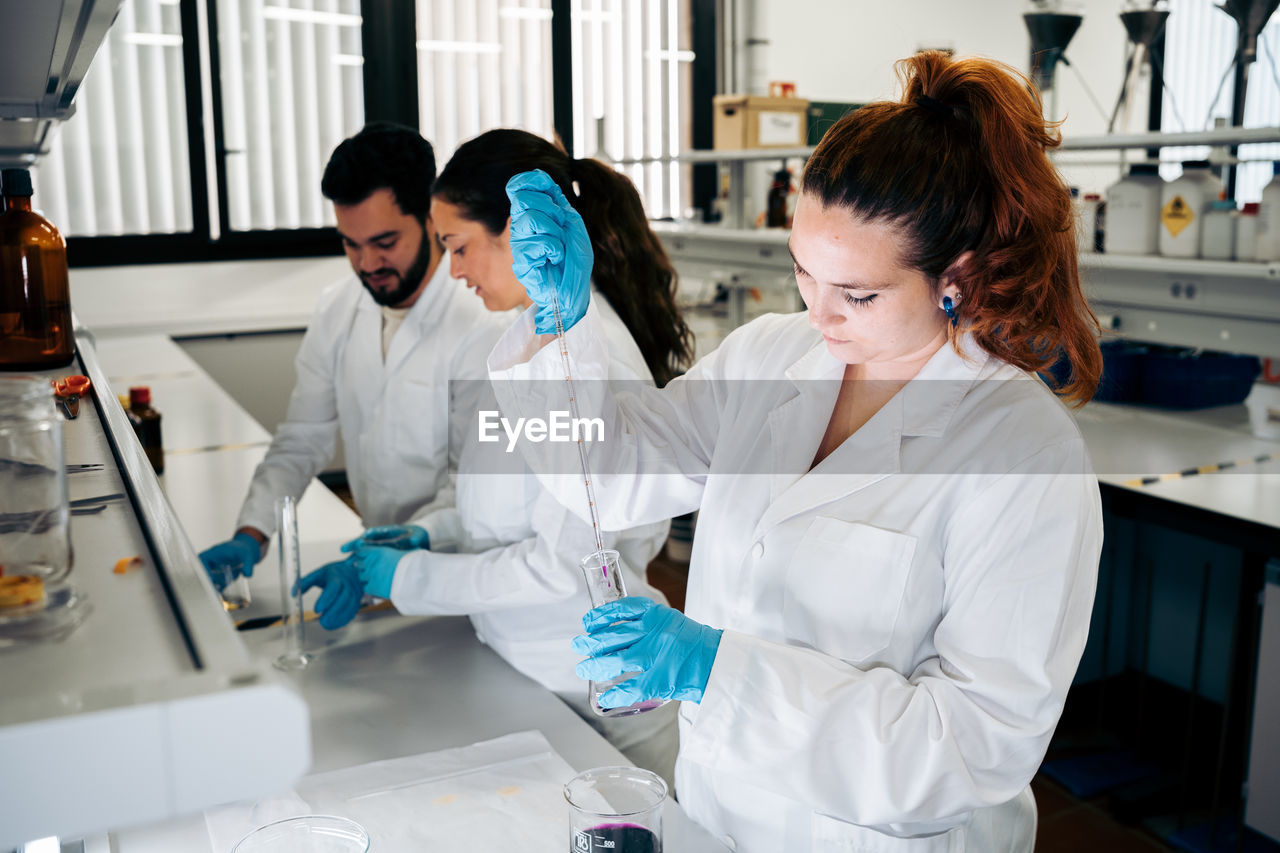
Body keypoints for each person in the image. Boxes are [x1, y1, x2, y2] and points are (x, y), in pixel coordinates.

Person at [489, 53, 1105, 851]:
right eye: (803, 273)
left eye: (858, 293)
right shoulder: (771, 357)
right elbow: (615, 473)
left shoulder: (1023, 454)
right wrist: (562, 326)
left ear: (957, 275)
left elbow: (972, 748)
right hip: (716, 814)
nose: (819, 313)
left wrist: (717, 671)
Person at [314, 128, 694, 788]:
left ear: (519, 231)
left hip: (608, 705)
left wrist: (408, 577)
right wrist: (430, 532)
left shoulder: (596, 361)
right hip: (532, 677)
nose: (453, 269)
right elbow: (506, 504)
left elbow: (558, 568)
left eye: (458, 246)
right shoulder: (523, 345)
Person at [198, 123, 507, 608]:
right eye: (350, 243)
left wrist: (390, 555)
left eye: (385, 242)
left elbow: (469, 489)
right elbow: (302, 438)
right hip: (372, 558)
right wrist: (251, 533)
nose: (366, 263)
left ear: (431, 217)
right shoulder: (338, 309)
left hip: (455, 568)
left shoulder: (483, 321)